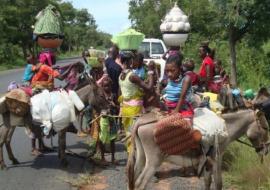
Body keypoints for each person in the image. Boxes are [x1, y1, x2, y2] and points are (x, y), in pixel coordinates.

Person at [119, 51, 155, 153]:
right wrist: (151, 72)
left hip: (126, 109)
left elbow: (121, 92)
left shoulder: (121, 75)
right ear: (130, 61)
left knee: (128, 133)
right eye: (133, 59)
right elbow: (149, 88)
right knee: (135, 135)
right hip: (134, 110)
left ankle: (131, 154)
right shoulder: (132, 76)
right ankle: (134, 158)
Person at [163, 54, 193, 120]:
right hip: (168, 107)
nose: (169, 74)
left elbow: (182, 98)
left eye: (173, 71)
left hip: (181, 108)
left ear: (180, 68)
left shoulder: (186, 79)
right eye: (167, 71)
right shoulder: (169, 80)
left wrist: (175, 112)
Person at [97, 76, 119, 165]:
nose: (107, 88)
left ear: (111, 86)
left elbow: (118, 107)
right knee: (102, 139)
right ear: (102, 86)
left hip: (112, 119)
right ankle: (102, 158)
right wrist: (101, 112)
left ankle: (113, 158)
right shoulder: (100, 96)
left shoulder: (114, 95)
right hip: (103, 120)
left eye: (108, 86)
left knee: (113, 140)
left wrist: (114, 106)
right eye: (105, 86)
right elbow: (97, 107)